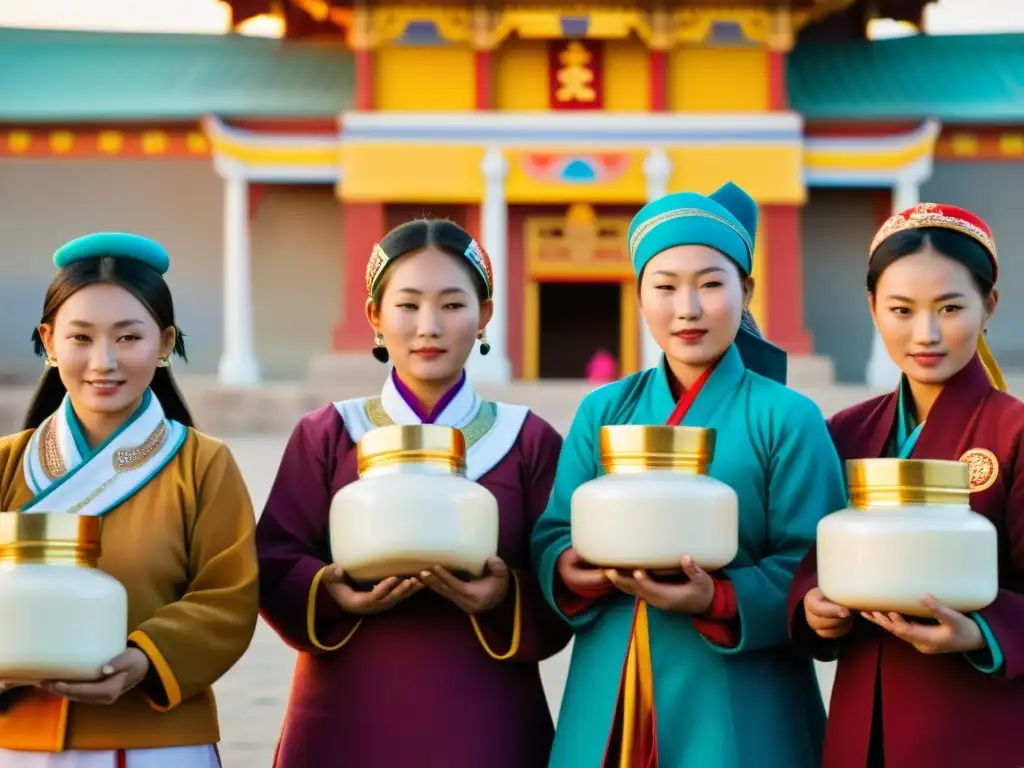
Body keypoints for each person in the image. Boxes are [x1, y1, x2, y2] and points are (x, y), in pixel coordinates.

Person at [531, 182, 846, 768]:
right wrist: (569, 566)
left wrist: (720, 596)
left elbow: (812, 564)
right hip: (614, 675)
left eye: (710, 284)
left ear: (746, 290)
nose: (688, 309)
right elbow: (554, 530)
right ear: (640, 294)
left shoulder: (787, 417)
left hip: (735, 688)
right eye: (666, 286)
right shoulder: (604, 410)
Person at [256, 218, 572, 767]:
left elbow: (561, 574)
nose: (429, 326)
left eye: (452, 305)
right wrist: (330, 588)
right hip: (344, 713)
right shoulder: (329, 433)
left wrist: (505, 597)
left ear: (484, 317)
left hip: (486, 712)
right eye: (407, 305)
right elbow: (274, 561)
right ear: (375, 316)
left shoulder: (527, 439)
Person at [0, 233, 259, 767]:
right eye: (80, 338)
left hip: (158, 741)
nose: (104, 361)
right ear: (48, 341)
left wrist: (145, 658)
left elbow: (228, 597)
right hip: (17, 738)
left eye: (127, 338)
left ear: (164, 343)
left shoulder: (203, 464)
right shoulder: (6, 463)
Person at [788, 203, 1024, 768]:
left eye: (949, 307)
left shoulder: (1013, 432)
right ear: (873, 309)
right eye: (901, 309)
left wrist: (979, 633)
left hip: (973, 722)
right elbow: (813, 561)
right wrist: (813, 607)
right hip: (860, 717)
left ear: (989, 305)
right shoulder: (846, 431)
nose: (926, 333)